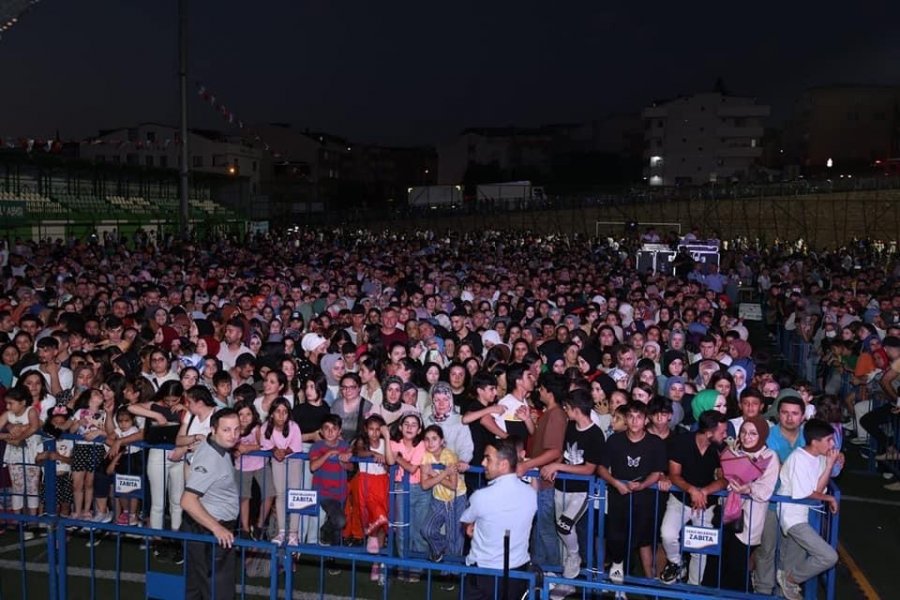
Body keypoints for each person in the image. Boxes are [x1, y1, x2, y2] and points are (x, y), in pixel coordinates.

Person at [539, 388, 605, 581]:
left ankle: (575, 556)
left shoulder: (595, 434)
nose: (565, 411)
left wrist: (558, 465)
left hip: (580, 491)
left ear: (576, 409)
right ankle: (566, 578)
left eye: (567, 408)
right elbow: (563, 453)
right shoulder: (570, 426)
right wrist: (556, 467)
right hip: (562, 487)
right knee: (563, 530)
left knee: (564, 526)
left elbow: (588, 469)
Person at [597, 401, 666, 584]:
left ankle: (649, 583)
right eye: (631, 416)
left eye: (639, 417)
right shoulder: (614, 440)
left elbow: (657, 472)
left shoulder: (655, 443)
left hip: (645, 500)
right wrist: (616, 483)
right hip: (618, 498)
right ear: (626, 419)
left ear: (645, 420)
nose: (635, 421)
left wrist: (643, 485)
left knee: (644, 540)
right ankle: (617, 575)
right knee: (615, 537)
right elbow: (602, 468)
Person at [459, 438, 537, 600]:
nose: (482, 463)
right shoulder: (530, 493)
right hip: (518, 572)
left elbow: (466, 520)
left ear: (503, 464)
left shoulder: (481, 496)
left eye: (488, 458)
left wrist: (469, 527)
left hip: (483, 573)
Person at [659, 410, 728, 585]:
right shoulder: (681, 442)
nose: (725, 435)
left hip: (706, 504)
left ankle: (693, 588)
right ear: (709, 433)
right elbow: (674, 474)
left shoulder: (722, 449)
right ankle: (676, 562)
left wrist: (703, 492)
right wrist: (692, 490)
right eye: (722, 432)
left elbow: (724, 479)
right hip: (679, 499)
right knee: (667, 534)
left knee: (700, 550)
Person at [775, 419, 841, 600]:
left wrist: (828, 465)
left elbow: (818, 489)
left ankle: (786, 582)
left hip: (807, 516)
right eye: (829, 440)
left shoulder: (819, 458)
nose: (833, 444)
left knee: (789, 562)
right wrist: (828, 498)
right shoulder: (799, 458)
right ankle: (790, 579)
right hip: (794, 517)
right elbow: (804, 493)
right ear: (815, 441)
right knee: (828, 556)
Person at [180, 407, 241, 600]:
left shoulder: (211, 444)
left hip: (201, 527)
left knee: (197, 588)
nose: (233, 435)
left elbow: (189, 466)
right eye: (226, 430)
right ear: (213, 430)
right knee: (217, 591)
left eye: (237, 429)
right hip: (209, 531)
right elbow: (188, 500)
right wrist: (217, 528)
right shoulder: (211, 458)